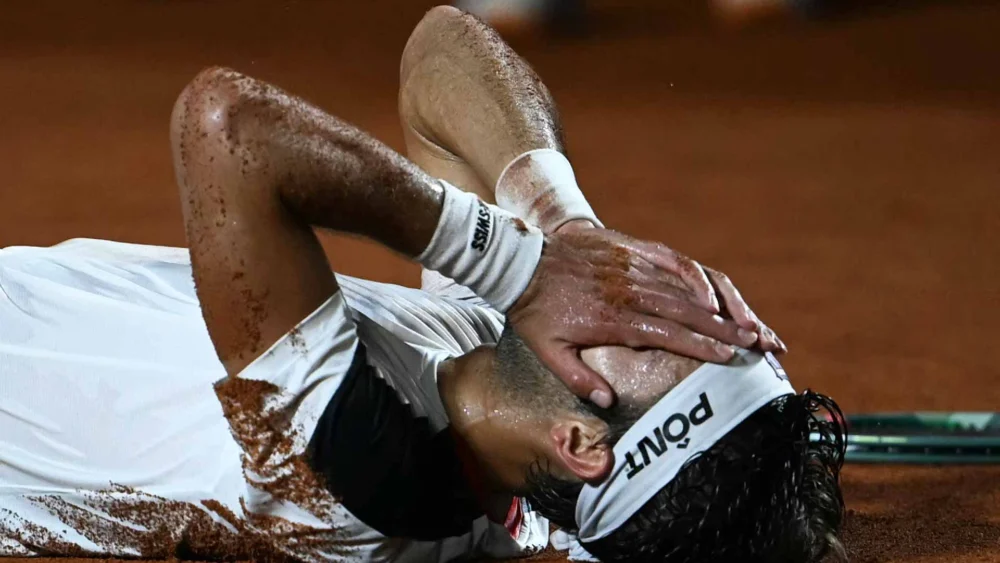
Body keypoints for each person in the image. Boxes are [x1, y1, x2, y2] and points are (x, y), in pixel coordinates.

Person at [0, 6, 845, 562]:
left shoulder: (363, 478)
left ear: (579, 442)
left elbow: (227, 125)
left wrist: (523, 264)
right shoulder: (493, 385)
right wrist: (565, 226)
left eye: (670, 340)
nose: (663, 299)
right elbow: (441, 47)